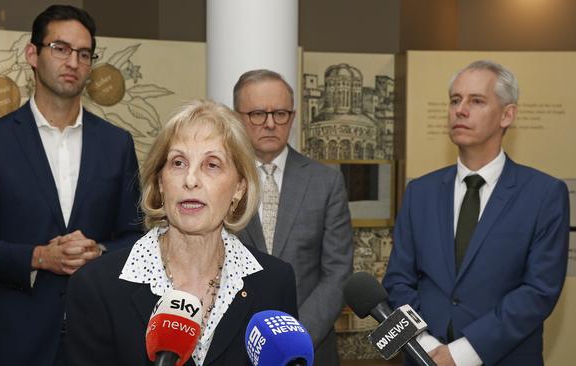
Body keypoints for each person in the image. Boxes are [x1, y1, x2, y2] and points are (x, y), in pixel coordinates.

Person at [0, 5, 143, 366]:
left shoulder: (117, 143)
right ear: (32, 54)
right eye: (61, 48)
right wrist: (39, 257)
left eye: (84, 54)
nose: (73, 62)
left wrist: (98, 252)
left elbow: (137, 237)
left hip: (99, 338)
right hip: (19, 341)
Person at [63, 100, 298, 366]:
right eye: (178, 163)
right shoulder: (96, 286)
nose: (190, 179)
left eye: (212, 165)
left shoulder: (274, 283)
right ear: (160, 182)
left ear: (239, 188)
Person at [383, 60, 569, 366]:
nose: (460, 110)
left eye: (476, 101)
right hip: (423, 356)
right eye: (455, 100)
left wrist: (460, 354)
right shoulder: (420, 193)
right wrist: (428, 347)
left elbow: (538, 291)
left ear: (507, 114)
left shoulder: (544, 194)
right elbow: (397, 282)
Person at [234, 69, 354, 365]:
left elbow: (338, 273)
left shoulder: (326, 182)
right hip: (233, 345)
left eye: (281, 113)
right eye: (258, 114)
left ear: (294, 116)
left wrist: (294, 338)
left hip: (308, 347)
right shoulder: (221, 179)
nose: (271, 123)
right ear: (237, 118)